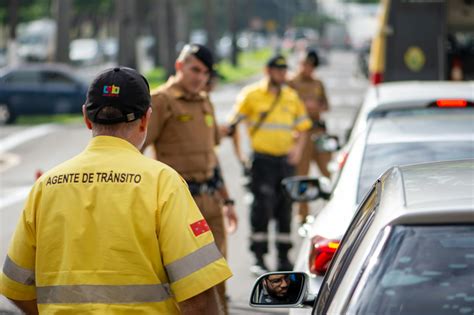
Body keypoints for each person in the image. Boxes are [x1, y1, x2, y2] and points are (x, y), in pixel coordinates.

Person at [0, 67, 232, 314]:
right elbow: (199, 296)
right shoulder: (163, 183)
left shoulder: (45, 187)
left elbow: (15, 286)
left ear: (87, 118)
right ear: (145, 119)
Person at [142, 43, 237, 314]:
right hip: (179, 204)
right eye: (195, 70)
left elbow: (211, 157)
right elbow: (136, 150)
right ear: (179, 66)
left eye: (206, 73)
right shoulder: (161, 101)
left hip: (211, 202)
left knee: (218, 278)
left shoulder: (204, 100)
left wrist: (227, 199)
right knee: (185, 285)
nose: (200, 78)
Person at [224, 54, 312, 273]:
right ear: (268, 71)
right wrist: (240, 155)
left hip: (285, 163)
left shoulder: (291, 97)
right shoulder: (251, 95)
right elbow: (232, 126)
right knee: (261, 209)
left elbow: (303, 127)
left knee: (285, 209)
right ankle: (259, 257)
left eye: (284, 70)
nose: (282, 74)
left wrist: (297, 150)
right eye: (278, 70)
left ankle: (283, 257)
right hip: (262, 162)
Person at [287, 49, 331, 225]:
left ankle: (332, 207)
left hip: (318, 132)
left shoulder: (318, 83)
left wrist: (316, 106)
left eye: (310, 65)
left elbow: (326, 106)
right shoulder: (291, 83)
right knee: (302, 175)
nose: (306, 68)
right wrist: (305, 106)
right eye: (304, 64)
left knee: (328, 171)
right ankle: (303, 214)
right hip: (301, 134)